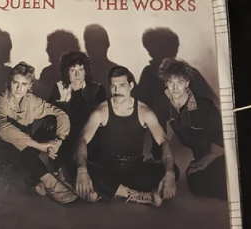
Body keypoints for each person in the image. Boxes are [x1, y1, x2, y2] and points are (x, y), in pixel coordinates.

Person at [74, 66, 178, 207]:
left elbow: (163, 141)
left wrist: (170, 173)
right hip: (107, 167)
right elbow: (83, 139)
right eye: (113, 86)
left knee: (173, 170)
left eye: (121, 86)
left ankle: (106, 191)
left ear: (130, 86)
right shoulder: (101, 111)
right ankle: (138, 195)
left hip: (134, 169)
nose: (117, 91)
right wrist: (82, 170)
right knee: (73, 164)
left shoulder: (144, 111)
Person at [0, 62, 77, 204]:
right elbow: (2, 129)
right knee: (16, 142)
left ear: (29, 86)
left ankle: (44, 177)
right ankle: (50, 182)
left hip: (25, 153)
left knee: (52, 121)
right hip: (2, 154)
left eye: (24, 84)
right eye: (15, 83)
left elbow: (60, 114)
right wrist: (39, 146)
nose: (18, 88)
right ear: (9, 83)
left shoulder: (32, 101)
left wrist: (58, 141)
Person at [152, 58, 227, 200]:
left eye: (179, 82)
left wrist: (205, 161)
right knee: (195, 183)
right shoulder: (161, 102)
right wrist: (164, 169)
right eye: (170, 82)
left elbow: (222, 137)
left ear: (187, 83)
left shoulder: (205, 106)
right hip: (199, 156)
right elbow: (159, 135)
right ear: (165, 83)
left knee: (224, 181)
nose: (174, 88)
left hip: (220, 155)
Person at [48, 51, 107, 170]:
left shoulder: (97, 89)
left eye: (80, 69)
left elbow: (99, 122)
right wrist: (63, 102)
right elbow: (50, 119)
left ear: (86, 71)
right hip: (65, 137)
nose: (77, 75)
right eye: (72, 70)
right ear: (66, 72)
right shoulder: (59, 88)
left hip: (90, 138)